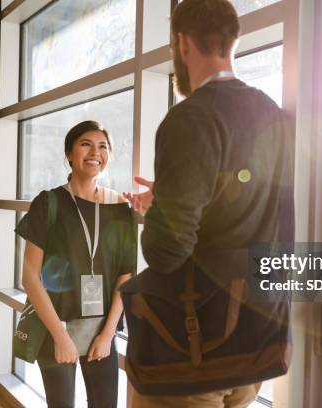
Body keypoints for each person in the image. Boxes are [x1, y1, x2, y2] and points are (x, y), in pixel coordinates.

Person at [123, 0, 294, 407]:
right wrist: (168, 197)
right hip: (254, 347)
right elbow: (252, 213)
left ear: (182, 44)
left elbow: (166, 251)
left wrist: (161, 208)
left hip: (190, 351)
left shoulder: (189, 119)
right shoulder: (277, 118)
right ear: (233, 39)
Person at [17, 120, 137, 408]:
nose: (95, 152)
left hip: (101, 330)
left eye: (103, 146)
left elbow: (126, 275)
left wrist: (108, 335)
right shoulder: (48, 203)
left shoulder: (119, 206)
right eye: (86, 144)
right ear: (69, 154)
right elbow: (30, 277)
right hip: (56, 328)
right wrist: (61, 338)